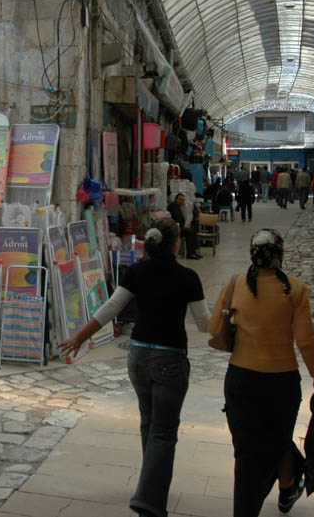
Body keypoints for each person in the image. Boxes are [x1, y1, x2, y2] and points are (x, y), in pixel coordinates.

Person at [59, 218, 209, 517]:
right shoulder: (188, 277)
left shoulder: (136, 272)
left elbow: (109, 308)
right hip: (170, 358)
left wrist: (79, 337)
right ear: (176, 244)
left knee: (148, 423)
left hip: (138, 356)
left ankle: (148, 485)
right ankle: (149, 501)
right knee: (164, 431)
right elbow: (205, 324)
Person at [208, 229, 314, 517]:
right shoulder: (295, 289)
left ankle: (252, 501)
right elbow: (306, 340)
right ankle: (285, 490)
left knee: (247, 449)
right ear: (279, 255)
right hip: (282, 382)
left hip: (241, 380)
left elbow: (213, 328)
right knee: (278, 441)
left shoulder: (235, 284)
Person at [167, 193, 201, 260]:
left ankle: (193, 252)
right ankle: (190, 253)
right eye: (180, 199)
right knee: (189, 232)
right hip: (175, 228)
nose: (182, 201)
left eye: (183, 200)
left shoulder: (178, 206)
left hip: (179, 227)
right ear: (176, 199)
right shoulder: (173, 206)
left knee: (192, 230)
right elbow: (177, 218)